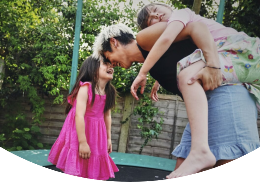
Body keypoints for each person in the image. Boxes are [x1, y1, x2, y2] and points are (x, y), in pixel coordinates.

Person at [93, 23, 260, 182]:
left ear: (113, 42)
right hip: (204, 111)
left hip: (225, 91)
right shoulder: (154, 63)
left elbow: (197, 27)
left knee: (235, 179)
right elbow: (181, 57)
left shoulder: (144, 39)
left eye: (107, 57)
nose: (110, 64)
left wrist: (213, 65)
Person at [134, 3, 260, 180]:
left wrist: (143, 72)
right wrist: (157, 81)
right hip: (241, 57)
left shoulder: (180, 14)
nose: (157, 18)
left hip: (237, 50)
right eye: (151, 20)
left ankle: (199, 150)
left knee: (187, 76)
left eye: (156, 11)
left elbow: (165, 39)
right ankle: (199, 150)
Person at [48, 57, 119, 182]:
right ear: (92, 69)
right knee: (75, 174)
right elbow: (79, 115)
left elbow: (107, 116)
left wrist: (108, 138)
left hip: (97, 133)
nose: (110, 67)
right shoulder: (86, 88)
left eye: (111, 64)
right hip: (80, 131)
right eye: (105, 64)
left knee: (100, 173)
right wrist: (82, 142)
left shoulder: (109, 91)